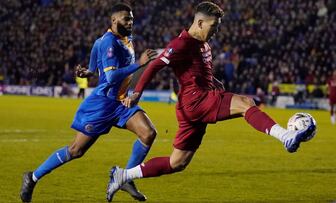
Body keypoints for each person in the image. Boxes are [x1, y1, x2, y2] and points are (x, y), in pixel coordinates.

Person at [106, 1, 316, 199]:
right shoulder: (181, 43)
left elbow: (198, 70)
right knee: (246, 103)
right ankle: (286, 136)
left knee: (177, 162)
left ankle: (123, 175)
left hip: (193, 106)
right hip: (196, 100)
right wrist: (137, 93)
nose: (216, 31)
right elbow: (154, 65)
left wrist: (214, 81)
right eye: (213, 25)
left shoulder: (204, 44)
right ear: (199, 22)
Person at [20, 3, 158, 202]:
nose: (130, 23)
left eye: (132, 19)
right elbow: (110, 78)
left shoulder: (122, 39)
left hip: (121, 103)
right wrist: (138, 64)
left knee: (148, 133)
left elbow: (95, 50)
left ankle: (126, 177)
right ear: (114, 20)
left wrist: (91, 71)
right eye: (126, 19)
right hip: (101, 105)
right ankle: (32, 177)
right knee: (76, 150)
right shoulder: (108, 42)